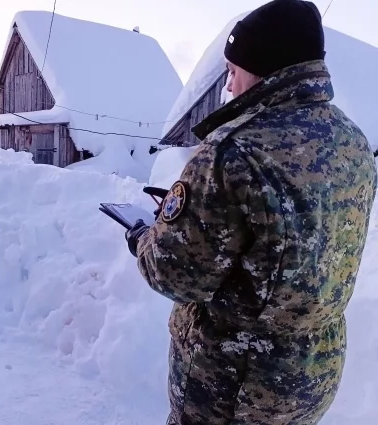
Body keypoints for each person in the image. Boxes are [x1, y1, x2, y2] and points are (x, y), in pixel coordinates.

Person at [125, 0, 378, 424]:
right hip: (313, 374)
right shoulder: (353, 142)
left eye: (233, 70)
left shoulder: (233, 152)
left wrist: (144, 239)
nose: (228, 85)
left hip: (233, 384)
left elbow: (175, 273)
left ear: (263, 67)